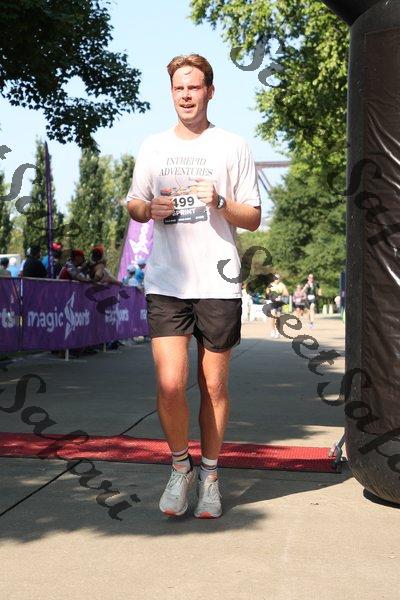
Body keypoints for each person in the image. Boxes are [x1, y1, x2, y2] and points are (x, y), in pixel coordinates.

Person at [126, 53, 261, 518]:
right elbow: (134, 202)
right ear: (172, 93)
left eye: (194, 86)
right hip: (167, 279)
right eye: (179, 88)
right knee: (169, 384)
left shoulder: (232, 146)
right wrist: (148, 210)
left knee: (213, 386)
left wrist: (220, 201)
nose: (186, 95)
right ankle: (180, 467)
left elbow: (253, 216)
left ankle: (210, 475)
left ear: (210, 91)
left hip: (218, 281)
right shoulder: (153, 146)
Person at [265, 273, 289, 339]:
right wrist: (271, 295)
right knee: (272, 316)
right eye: (275, 278)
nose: (276, 279)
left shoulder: (282, 285)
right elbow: (267, 291)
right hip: (272, 302)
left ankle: (278, 331)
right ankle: (273, 330)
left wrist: (282, 295)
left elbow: (286, 293)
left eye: (278, 278)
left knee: (278, 317)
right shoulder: (271, 284)